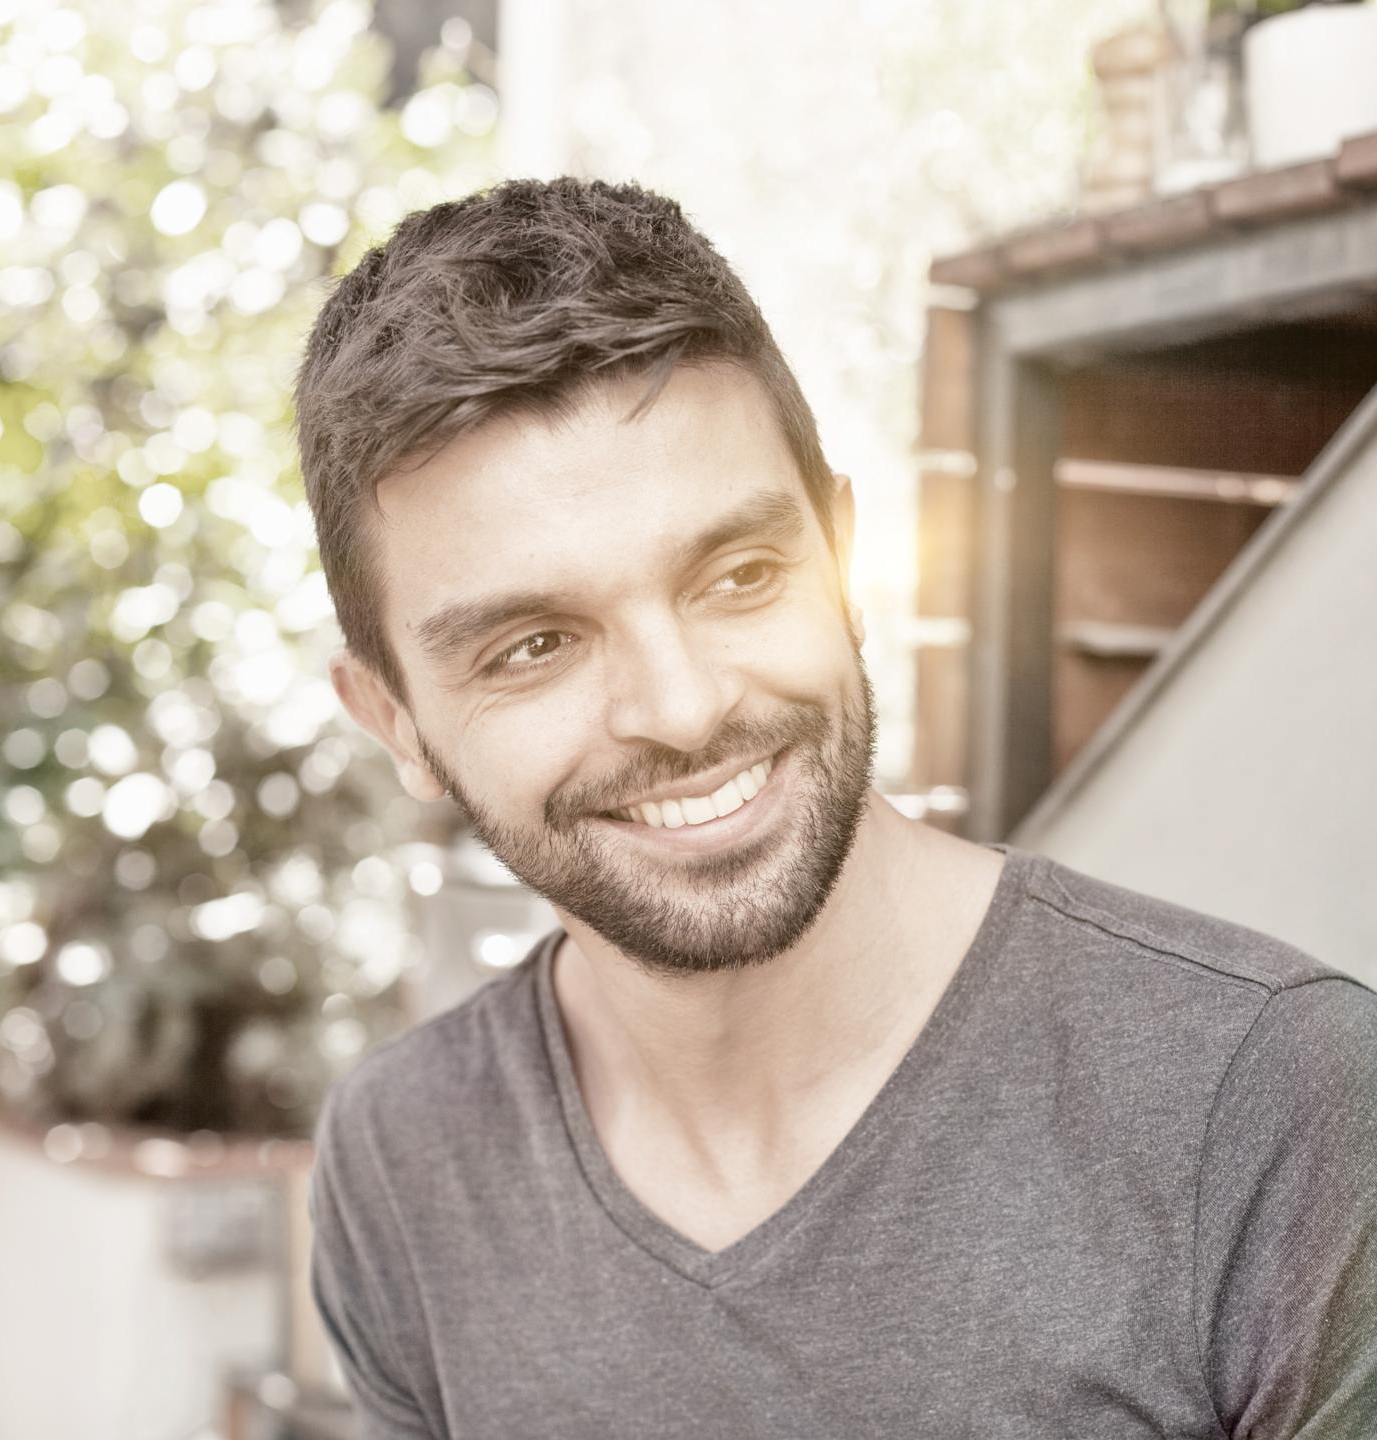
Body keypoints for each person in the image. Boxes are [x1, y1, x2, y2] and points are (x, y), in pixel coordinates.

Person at [295, 178, 1377, 1439]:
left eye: (740, 574)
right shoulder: (404, 1158)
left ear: (843, 562)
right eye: (535, 645)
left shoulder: (1277, 1104)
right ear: (396, 721)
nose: (683, 708)